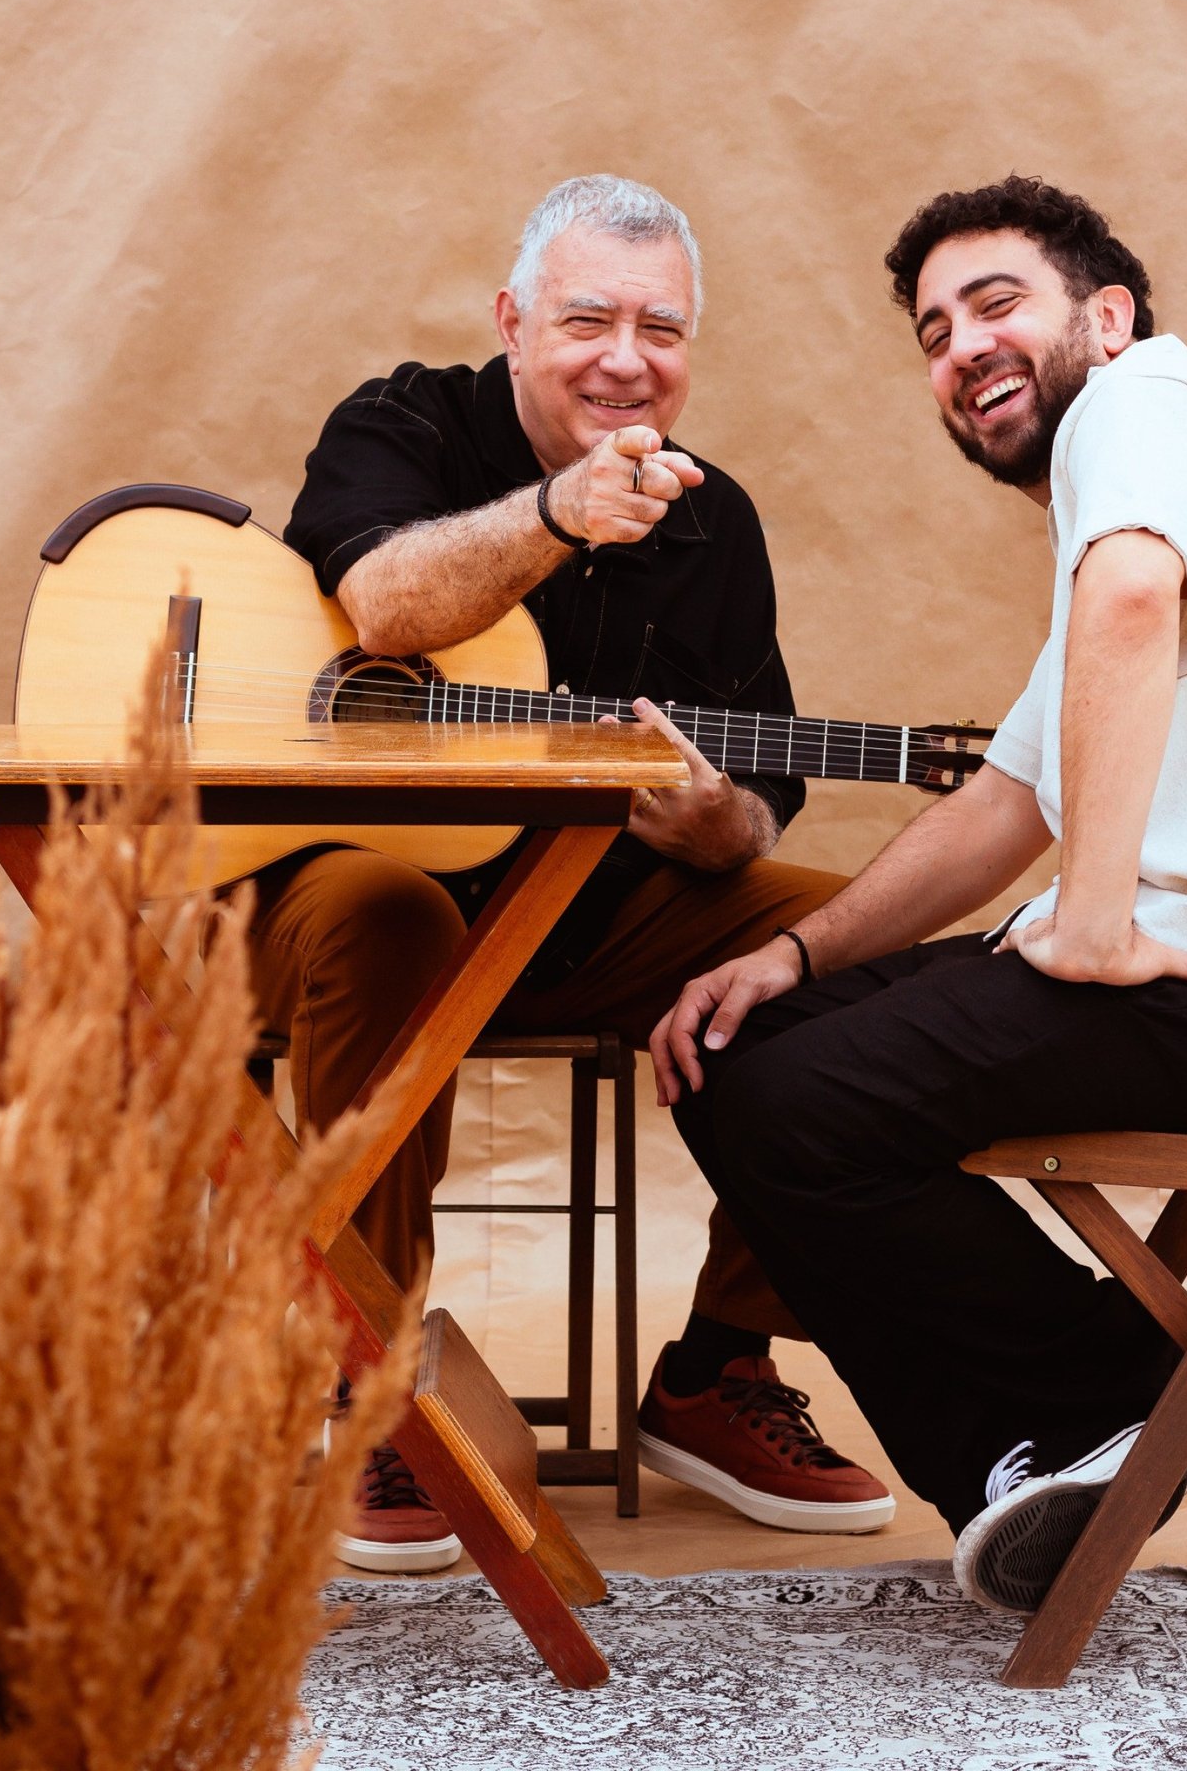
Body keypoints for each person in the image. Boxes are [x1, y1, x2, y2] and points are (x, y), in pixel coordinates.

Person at [651, 174, 1187, 1615]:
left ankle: (1109, 1396)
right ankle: (1058, 1438)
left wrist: (1090, 924)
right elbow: (1008, 802)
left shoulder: (1148, 406)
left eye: (997, 303)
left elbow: (1132, 607)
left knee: (787, 1105)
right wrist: (794, 954)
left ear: (1108, 317)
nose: (962, 348)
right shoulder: (1137, 496)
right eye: (937, 333)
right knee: (740, 1040)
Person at [250, 174, 893, 1572]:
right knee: (388, 910)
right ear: (512, 321)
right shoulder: (404, 423)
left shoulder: (714, 520)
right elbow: (381, 605)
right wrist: (556, 515)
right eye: (587, 317)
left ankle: (718, 1369)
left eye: (660, 329)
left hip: (589, 918)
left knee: (850, 948)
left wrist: (715, 828)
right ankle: (367, 1387)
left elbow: (757, 800)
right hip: (341, 896)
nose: (624, 357)